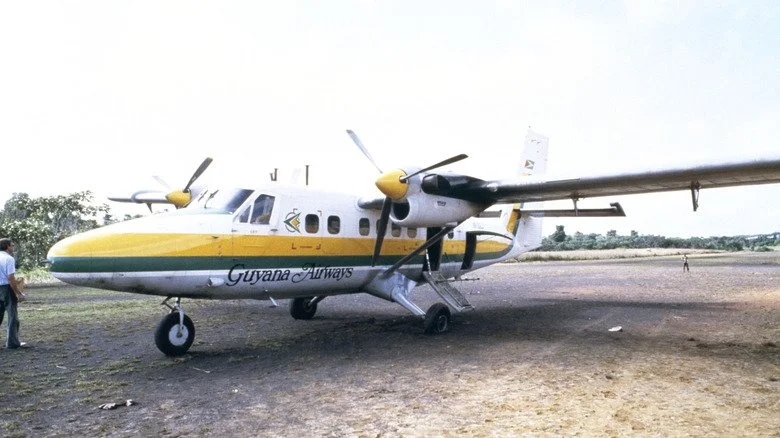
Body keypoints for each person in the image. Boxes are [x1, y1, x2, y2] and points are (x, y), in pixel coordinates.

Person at [0, 238, 26, 349]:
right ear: (7, 246)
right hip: (6, 288)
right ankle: (12, 343)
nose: (13, 247)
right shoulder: (8, 259)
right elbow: (10, 278)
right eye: (12, 245)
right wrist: (18, 293)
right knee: (12, 316)